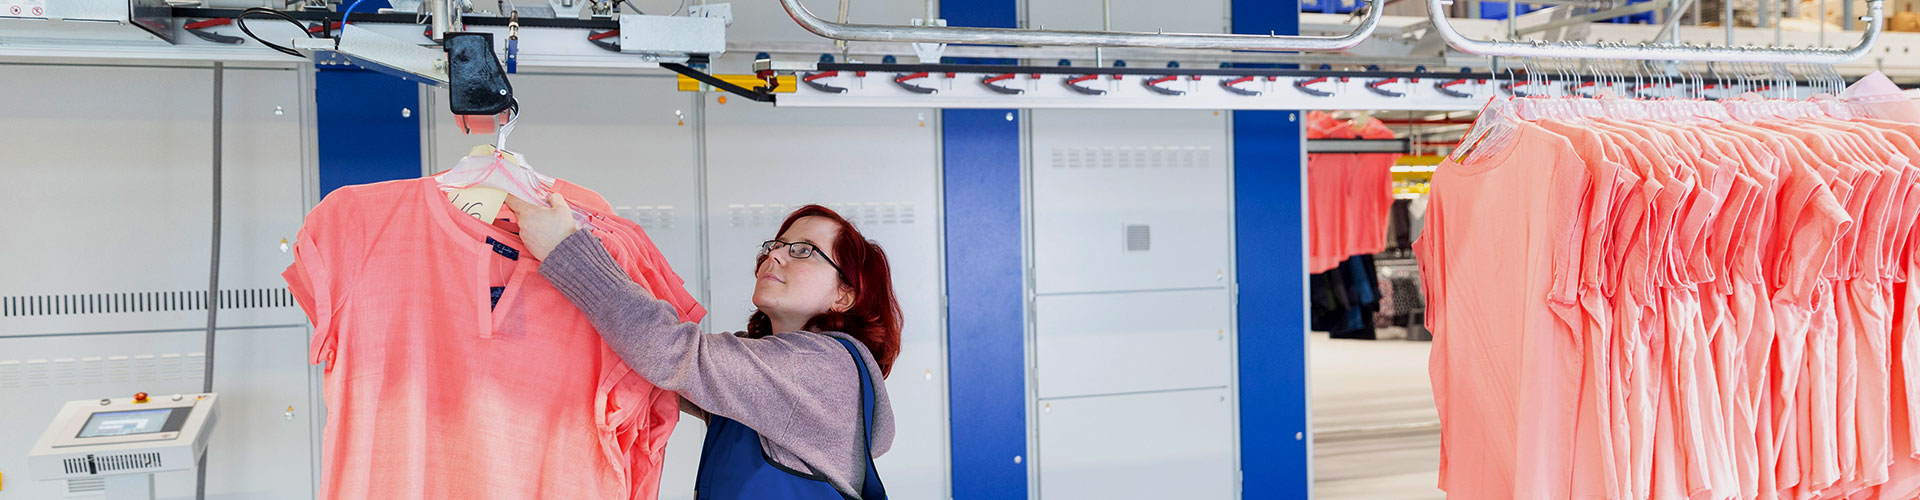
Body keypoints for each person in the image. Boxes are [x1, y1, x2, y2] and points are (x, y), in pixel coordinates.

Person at [508, 194, 900, 500]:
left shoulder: (822, 369)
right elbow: (661, 370)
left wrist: (567, 248)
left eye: (803, 250)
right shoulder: (771, 374)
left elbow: (671, 353)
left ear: (844, 296)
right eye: (776, 244)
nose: (775, 254)